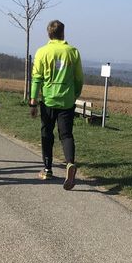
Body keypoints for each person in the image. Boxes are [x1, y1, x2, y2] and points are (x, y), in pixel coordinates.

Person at [29, 20, 83, 190]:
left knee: (47, 133)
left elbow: (37, 78)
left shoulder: (42, 52)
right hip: (67, 101)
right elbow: (79, 78)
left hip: (48, 100)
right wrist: (75, 94)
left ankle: (47, 169)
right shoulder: (72, 52)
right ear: (63, 33)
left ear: (48, 34)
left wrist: (33, 101)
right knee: (66, 134)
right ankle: (70, 164)